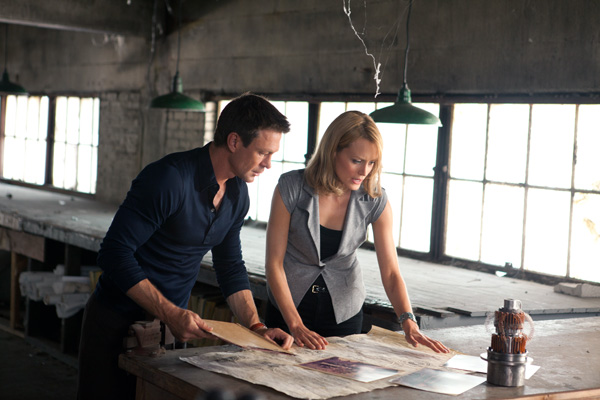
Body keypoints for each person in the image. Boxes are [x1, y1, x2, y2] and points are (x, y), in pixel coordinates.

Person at [77, 93, 294, 400]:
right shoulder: (169, 178)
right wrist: (170, 312)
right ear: (234, 141)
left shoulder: (237, 195)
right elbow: (114, 253)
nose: (268, 164)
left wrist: (256, 327)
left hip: (170, 332)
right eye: (262, 152)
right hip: (115, 322)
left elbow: (230, 265)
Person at [264, 110, 449, 353]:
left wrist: (409, 322)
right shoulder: (291, 187)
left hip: (344, 314)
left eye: (372, 163)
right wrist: (295, 324)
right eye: (357, 160)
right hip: (287, 312)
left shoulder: (375, 199)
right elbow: (274, 264)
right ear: (333, 152)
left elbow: (391, 272)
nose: (365, 171)